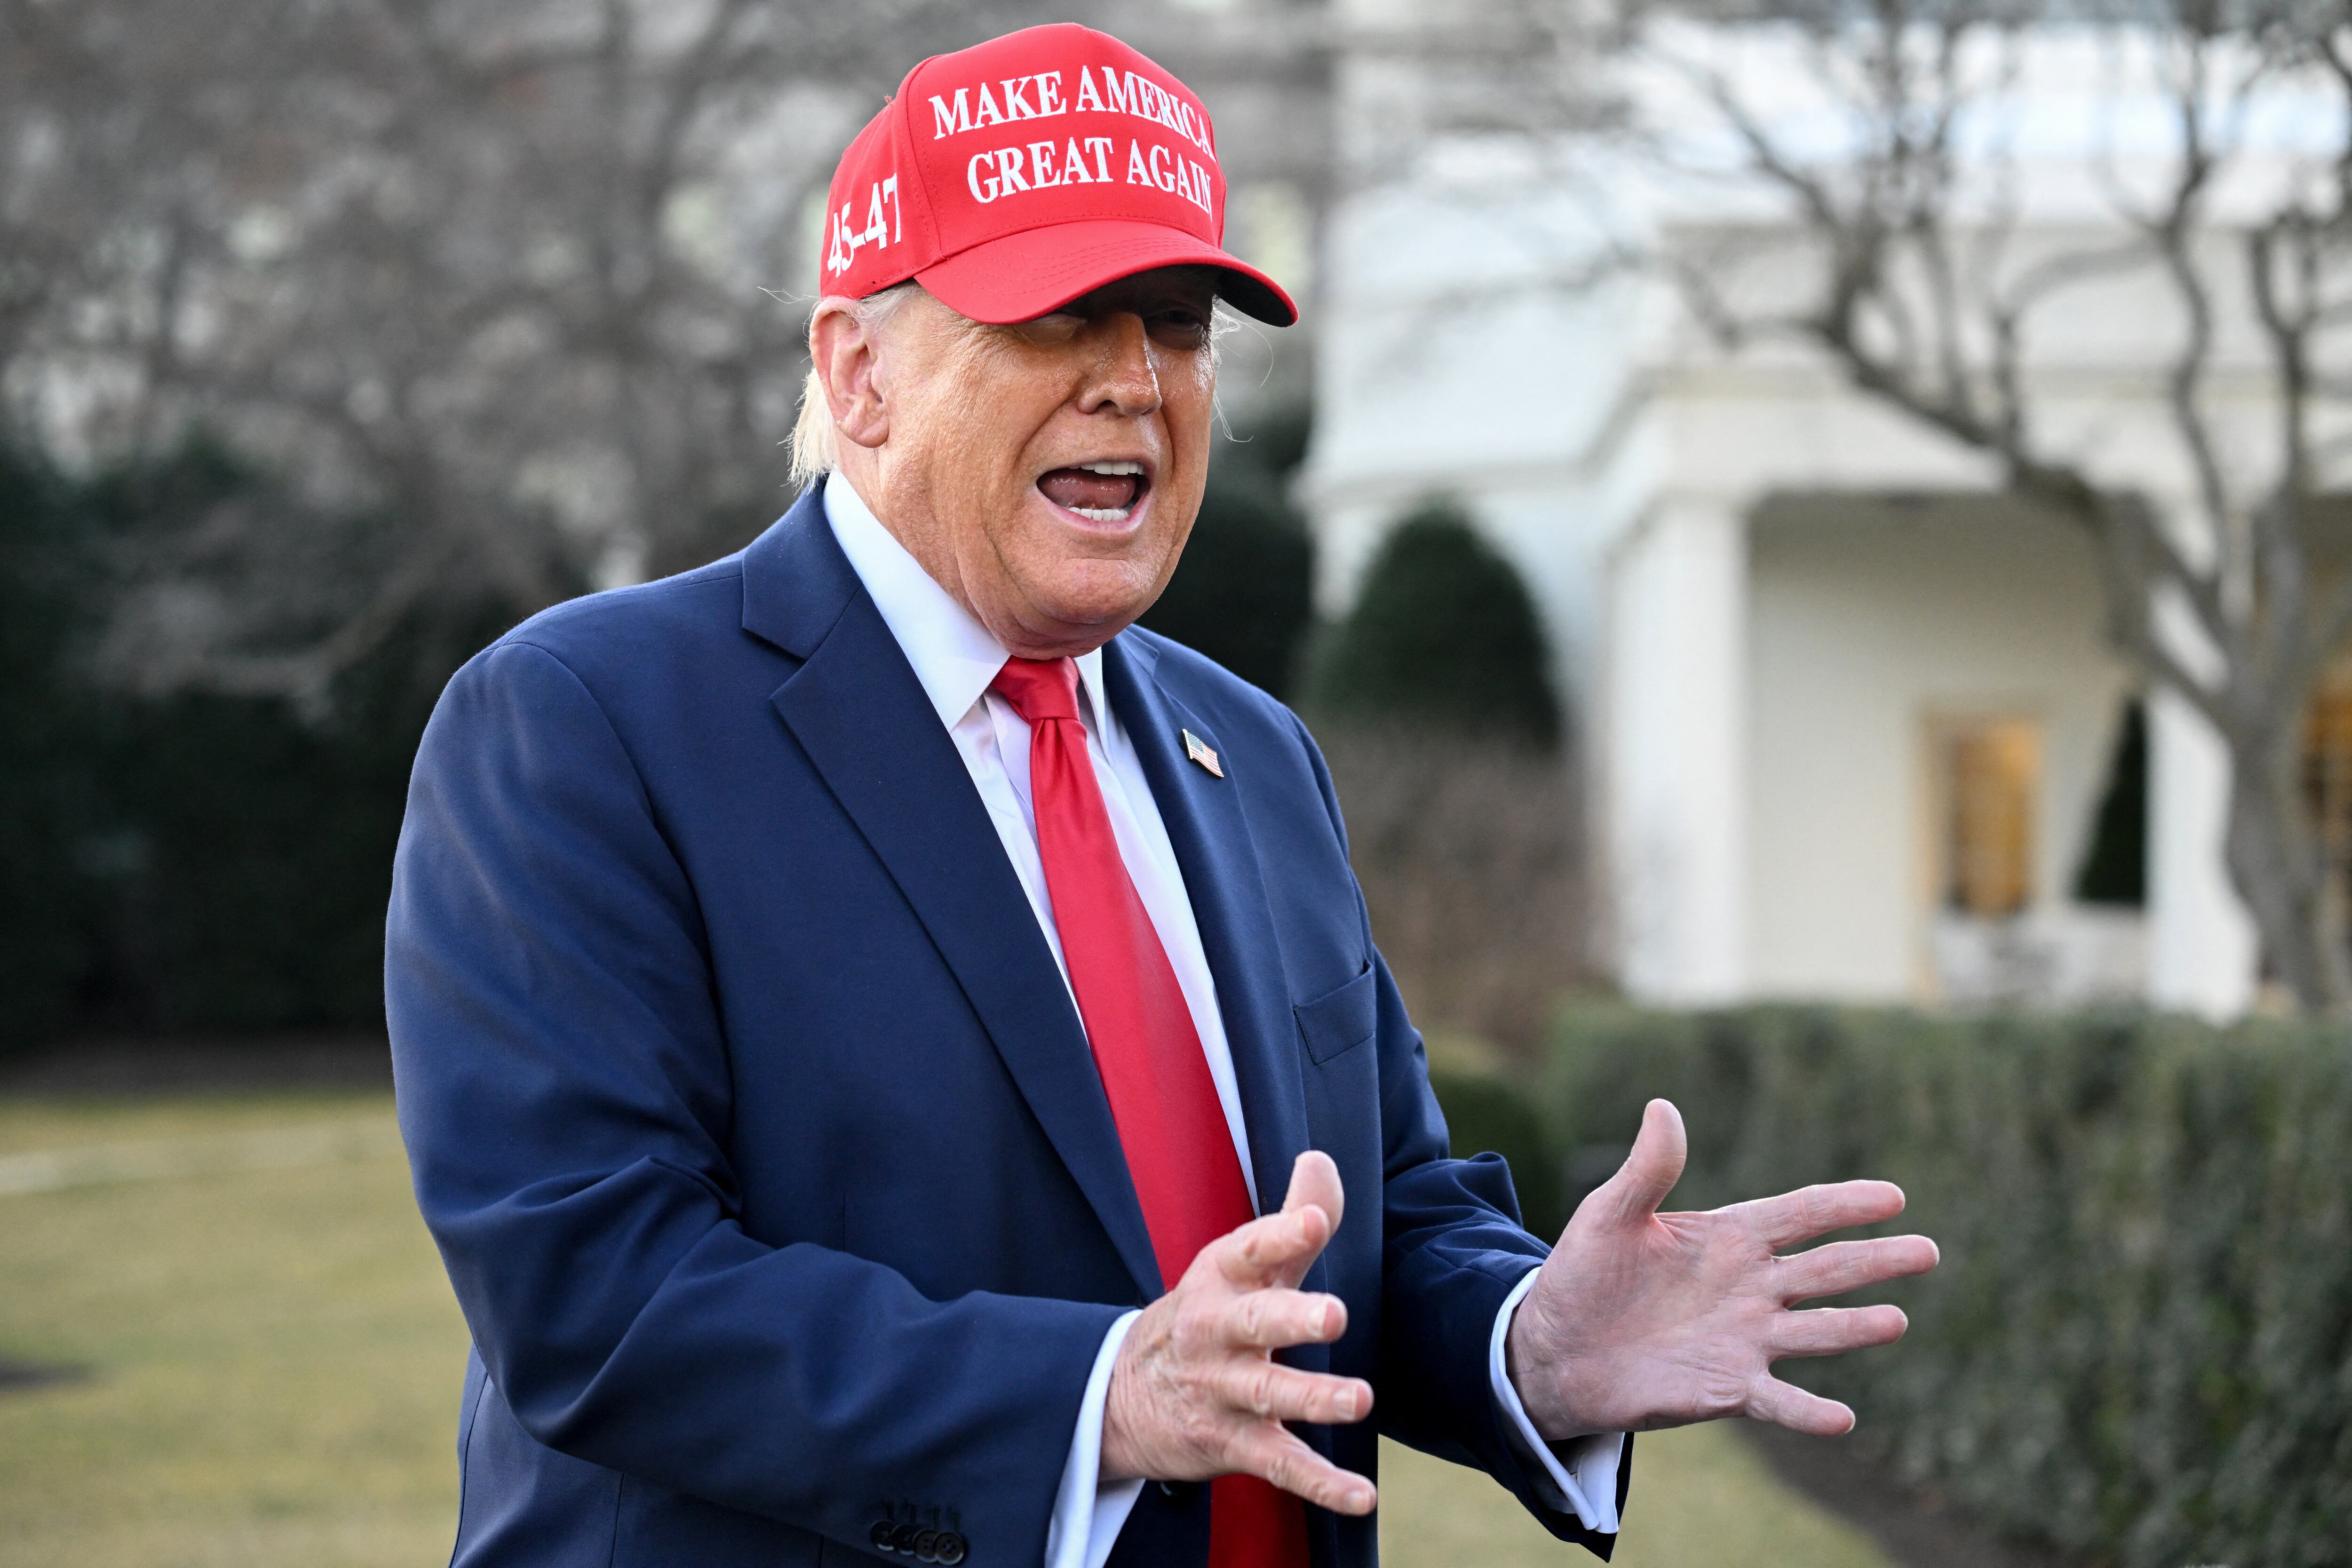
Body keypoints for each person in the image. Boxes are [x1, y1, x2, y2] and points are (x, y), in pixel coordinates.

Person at [386, 23, 1937, 1568]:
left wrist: (1528, 1341)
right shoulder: (586, 723)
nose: (1136, 380)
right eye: (1060, 317)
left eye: (1176, 321)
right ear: (858, 372)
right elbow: (599, 1293)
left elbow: (1376, 1207)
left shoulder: (1253, 750)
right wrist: (1098, 1397)